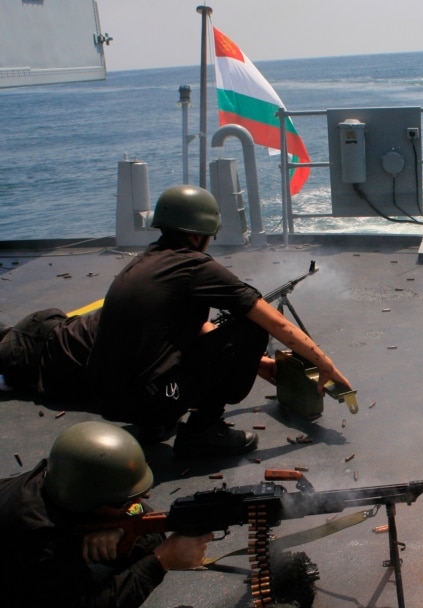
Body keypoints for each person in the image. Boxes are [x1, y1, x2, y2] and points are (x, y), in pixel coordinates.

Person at [0, 185, 352, 457]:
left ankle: (160, 418)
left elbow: (187, 326)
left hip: (108, 397)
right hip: (144, 401)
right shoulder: (194, 266)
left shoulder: (147, 262)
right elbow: (275, 323)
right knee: (250, 329)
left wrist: (256, 363)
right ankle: (203, 432)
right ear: (199, 234)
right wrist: (325, 364)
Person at [0, 421, 213, 608]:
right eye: (125, 503)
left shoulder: (63, 480)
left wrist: (122, 528)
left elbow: (138, 512)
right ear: (87, 504)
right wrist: (162, 560)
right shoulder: (40, 539)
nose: (137, 505)